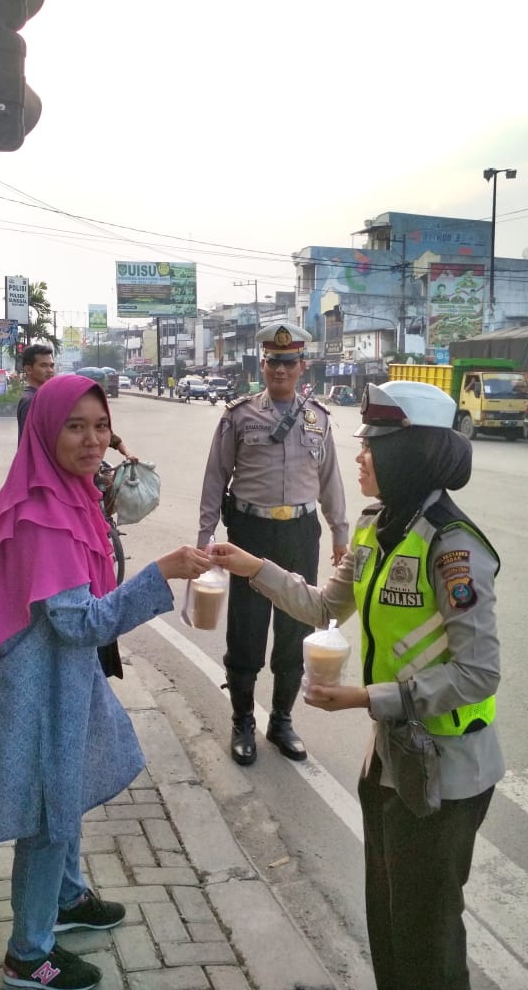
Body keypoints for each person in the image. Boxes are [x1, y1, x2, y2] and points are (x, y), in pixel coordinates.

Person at [210, 380, 504, 990]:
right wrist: (251, 565)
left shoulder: (453, 547)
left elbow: (478, 674)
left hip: (446, 773)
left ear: (409, 454)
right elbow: (322, 608)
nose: (360, 455)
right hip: (391, 761)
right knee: (390, 921)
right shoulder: (376, 529)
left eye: (373, 444)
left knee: (428, 935)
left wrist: (367, 698)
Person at [0, 374, 212, 990]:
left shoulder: (62, 490)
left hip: (57, 679)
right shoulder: (46, 515)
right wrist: (163, 573)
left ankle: (68, 899)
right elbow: (80, 621)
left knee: (67, 787)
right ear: (47, 430)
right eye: (75, 426)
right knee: (48, 812)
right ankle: (29, 953)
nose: (92, 439)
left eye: (101, 426)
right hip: (36, 689)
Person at [198, 323, 348, 766]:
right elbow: (214, 478)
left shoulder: (318, 419)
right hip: (250, 532)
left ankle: (281, 719)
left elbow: (330, 480)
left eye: (289, 362)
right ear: (261, 364)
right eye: (272, 361)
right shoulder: (239, 416)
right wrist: (205, 537)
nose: (280, 369)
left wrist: (340, 533)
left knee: (296, 629)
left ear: (303, 366)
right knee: (246, 629)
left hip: (300, 534)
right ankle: (242, 719)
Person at [16, 344, 55, 441]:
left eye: (51, 366)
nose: (50, 370)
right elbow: (31, 441)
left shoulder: (40, 397)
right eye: (43, 365)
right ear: (28, 369)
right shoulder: (30, 400)